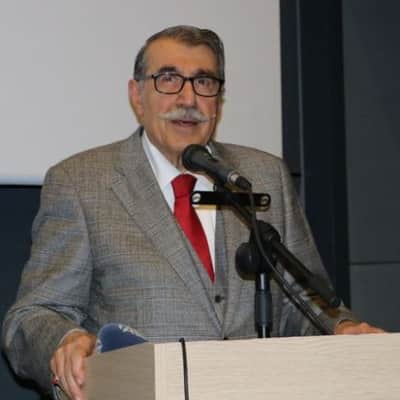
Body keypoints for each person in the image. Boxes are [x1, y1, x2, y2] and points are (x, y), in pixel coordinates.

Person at [1, 25, 382, 400]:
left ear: (219, 99)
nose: (188, 98)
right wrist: (65, 340)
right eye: (169, 79)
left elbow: (306, 301)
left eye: (204, 82)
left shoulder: (264, 175)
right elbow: (32, 315)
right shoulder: (82, 182)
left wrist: (341, 330)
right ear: (137, 95)